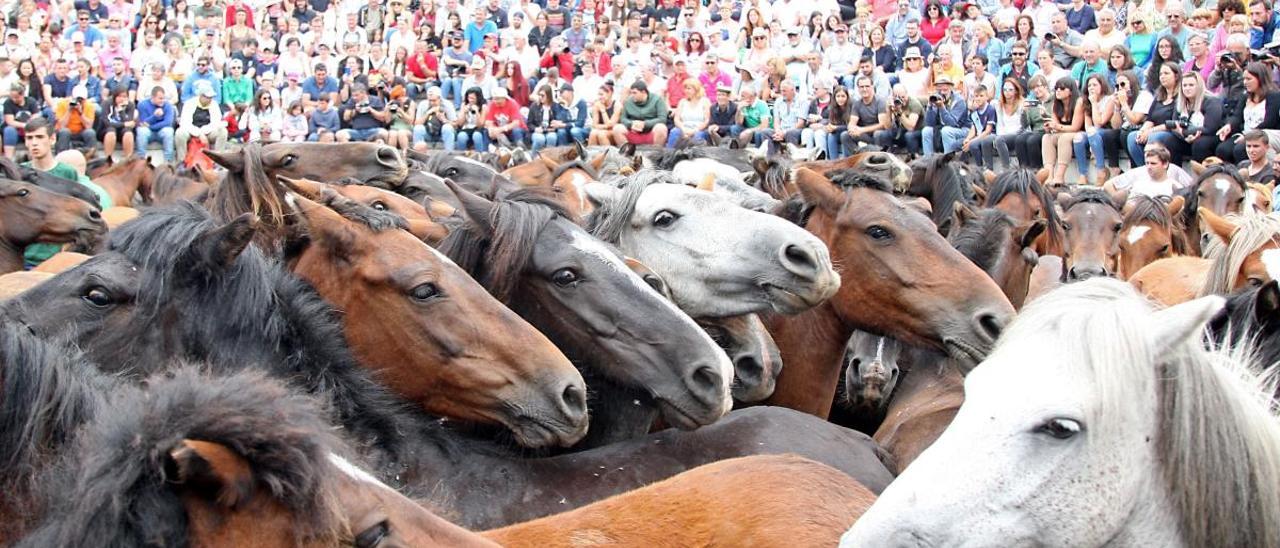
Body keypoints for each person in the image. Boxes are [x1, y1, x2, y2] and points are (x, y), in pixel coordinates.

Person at [1216, 62, 1280, 162]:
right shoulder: (1245, 96)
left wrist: (1248, 136)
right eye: (1244, 79)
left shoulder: (1274, 96)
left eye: (1249, 79)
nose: (1245, 82)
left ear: (1260, 79)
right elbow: (1237, 116)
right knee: (1222, 149)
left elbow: (1270, 122)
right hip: (1244, 133)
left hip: (1262, 135)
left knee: (1240, 150)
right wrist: (1229, 126)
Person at [1102, 144, 1192, 197]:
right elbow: (1108, 185)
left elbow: (1192, 187)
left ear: (1165, 164)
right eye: (1147, 163)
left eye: (1153, 163)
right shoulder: (1138, 180)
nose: (1149, 167)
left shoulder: (1175, 185)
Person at [841, 75, 891, 155]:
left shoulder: (880, 101)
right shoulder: (857, 104)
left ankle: (880, 157)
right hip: (866, 135)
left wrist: (862, 130)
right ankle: (857, 158)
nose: (864, 89)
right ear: (858, 88)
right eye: (861, 87)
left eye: (867, 86)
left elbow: (883, 125)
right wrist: (852, 129)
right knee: (845, 135)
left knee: (878, 134)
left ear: (872, 87)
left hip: (881, 135)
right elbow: (852, 122)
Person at [922, 75, 970, 154]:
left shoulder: (958, 100)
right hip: (942, 128)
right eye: (939, 88)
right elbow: (929, 123)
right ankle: (928, 160)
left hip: (962, 129)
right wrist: (930, 107)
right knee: (926, 131)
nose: (942, 92)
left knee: (946, 131)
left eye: (945, 88)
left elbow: (952, 123)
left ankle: (948, 160)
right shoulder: (936, 98)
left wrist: (942, 108)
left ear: (951, 87)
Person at [613, 81, 668, 146]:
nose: (632, 95)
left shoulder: (657, 100)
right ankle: (627, 152)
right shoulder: (628, 101)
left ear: (643, 92)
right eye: (631, 93)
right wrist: (631, 124)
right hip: (633, 130)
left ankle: (656, 153)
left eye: (635, 93)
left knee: (661, 127)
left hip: (651, 130)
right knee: (617, 128)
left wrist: (645, 124)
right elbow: (623, 118)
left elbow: (662, 119)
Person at [765, 80, 808, 153]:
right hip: (781, 129)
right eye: (781, 91)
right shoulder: (778, 101)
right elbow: (776, 121)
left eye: (785, 91)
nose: (782, 93)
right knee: (765, 132)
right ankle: (771, 160)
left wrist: (784, 133)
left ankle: (793, 159)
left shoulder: (802, 101)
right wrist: (778, 131)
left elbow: (800, 123)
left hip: (795, 129)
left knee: (790, 133)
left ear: (793, 90)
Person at [135, 86, 175, 163]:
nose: (162, 101)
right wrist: (155, 116)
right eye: (160, 98)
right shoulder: (142, 104)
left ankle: (168, 161)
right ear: (153, 97)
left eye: (163, 98)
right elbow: (143, 122)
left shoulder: (168, 106)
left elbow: (168, 122)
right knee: (142, 131)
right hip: (148, 133)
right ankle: (140, 160)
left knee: (169, 131)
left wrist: (150, 126)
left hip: (160, 132)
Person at [52, 86, 96, 154]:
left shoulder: (89, 106)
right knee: (65, 131)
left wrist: (80, 112)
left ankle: (90, 155)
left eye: (81, 100)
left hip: (80, 132)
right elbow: (62, 125)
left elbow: (89, 126)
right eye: (77, 99)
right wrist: (69, 111)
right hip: (65, 132)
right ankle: (61, 155)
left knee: (90, 132)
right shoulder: (62, 104)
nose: (79, 101)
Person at [667, 78, 710, 146]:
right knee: (674, 132)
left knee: (698, 136)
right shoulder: (682, 102)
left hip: (698, 129)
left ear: (696, 89)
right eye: (685, 88)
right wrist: (683, 129)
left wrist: (695, 130)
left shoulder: (705, 101)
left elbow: (707, 120)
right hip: (684, 127)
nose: (686, 91)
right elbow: (676, 119)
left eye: (689, 88)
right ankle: (669, 153)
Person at [965, 85, 999, 169]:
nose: (978, 98)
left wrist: (972, 141)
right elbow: (973, 128)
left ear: (987, 97)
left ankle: (980, 167)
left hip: (990, 135)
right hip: (979, 135)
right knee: (962, 145)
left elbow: (988, 130)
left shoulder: (990, 109)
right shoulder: (974, 112)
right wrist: (968, 139)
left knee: (973, 145)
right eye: (976, 96)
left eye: (981, 96)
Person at [527, 84, 567, 150]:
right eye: (539, 95)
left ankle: (549, 156)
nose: (540, 97)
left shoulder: (555, 106)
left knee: (552, 138)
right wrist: (535, 129)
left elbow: (559, 120)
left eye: (542, 95)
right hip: (538, 131)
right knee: (540, 139)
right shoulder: (534, 106)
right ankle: (534, 157)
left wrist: (553, 128)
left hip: (551, 131)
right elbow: (529, 123)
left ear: (548, 96)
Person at [102, 86, 136, 158]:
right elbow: (106, 122)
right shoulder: (107, 103)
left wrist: (121, 111)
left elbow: (129, 123)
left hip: (122, 130)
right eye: (119, 96)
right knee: (111, 132)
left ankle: (128, 159)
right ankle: (108, 159)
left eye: (124, 97)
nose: (122, 99)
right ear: (115, 97)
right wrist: (123, 124)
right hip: (107, 129)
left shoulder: (130, 105)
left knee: (128, 133)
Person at [588, 81, 622, 146]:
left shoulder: (617, 105)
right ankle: (592, 154)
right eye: (598, 94)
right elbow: (594, 125)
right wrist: (605, 127)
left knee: (601, 134)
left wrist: (603, 111)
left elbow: (610, 125)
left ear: (610, 94)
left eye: (601, 94)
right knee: (593, 133)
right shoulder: (597, 104)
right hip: (601, 130)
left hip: (615, 132)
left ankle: (609, 154)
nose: (599, 97)